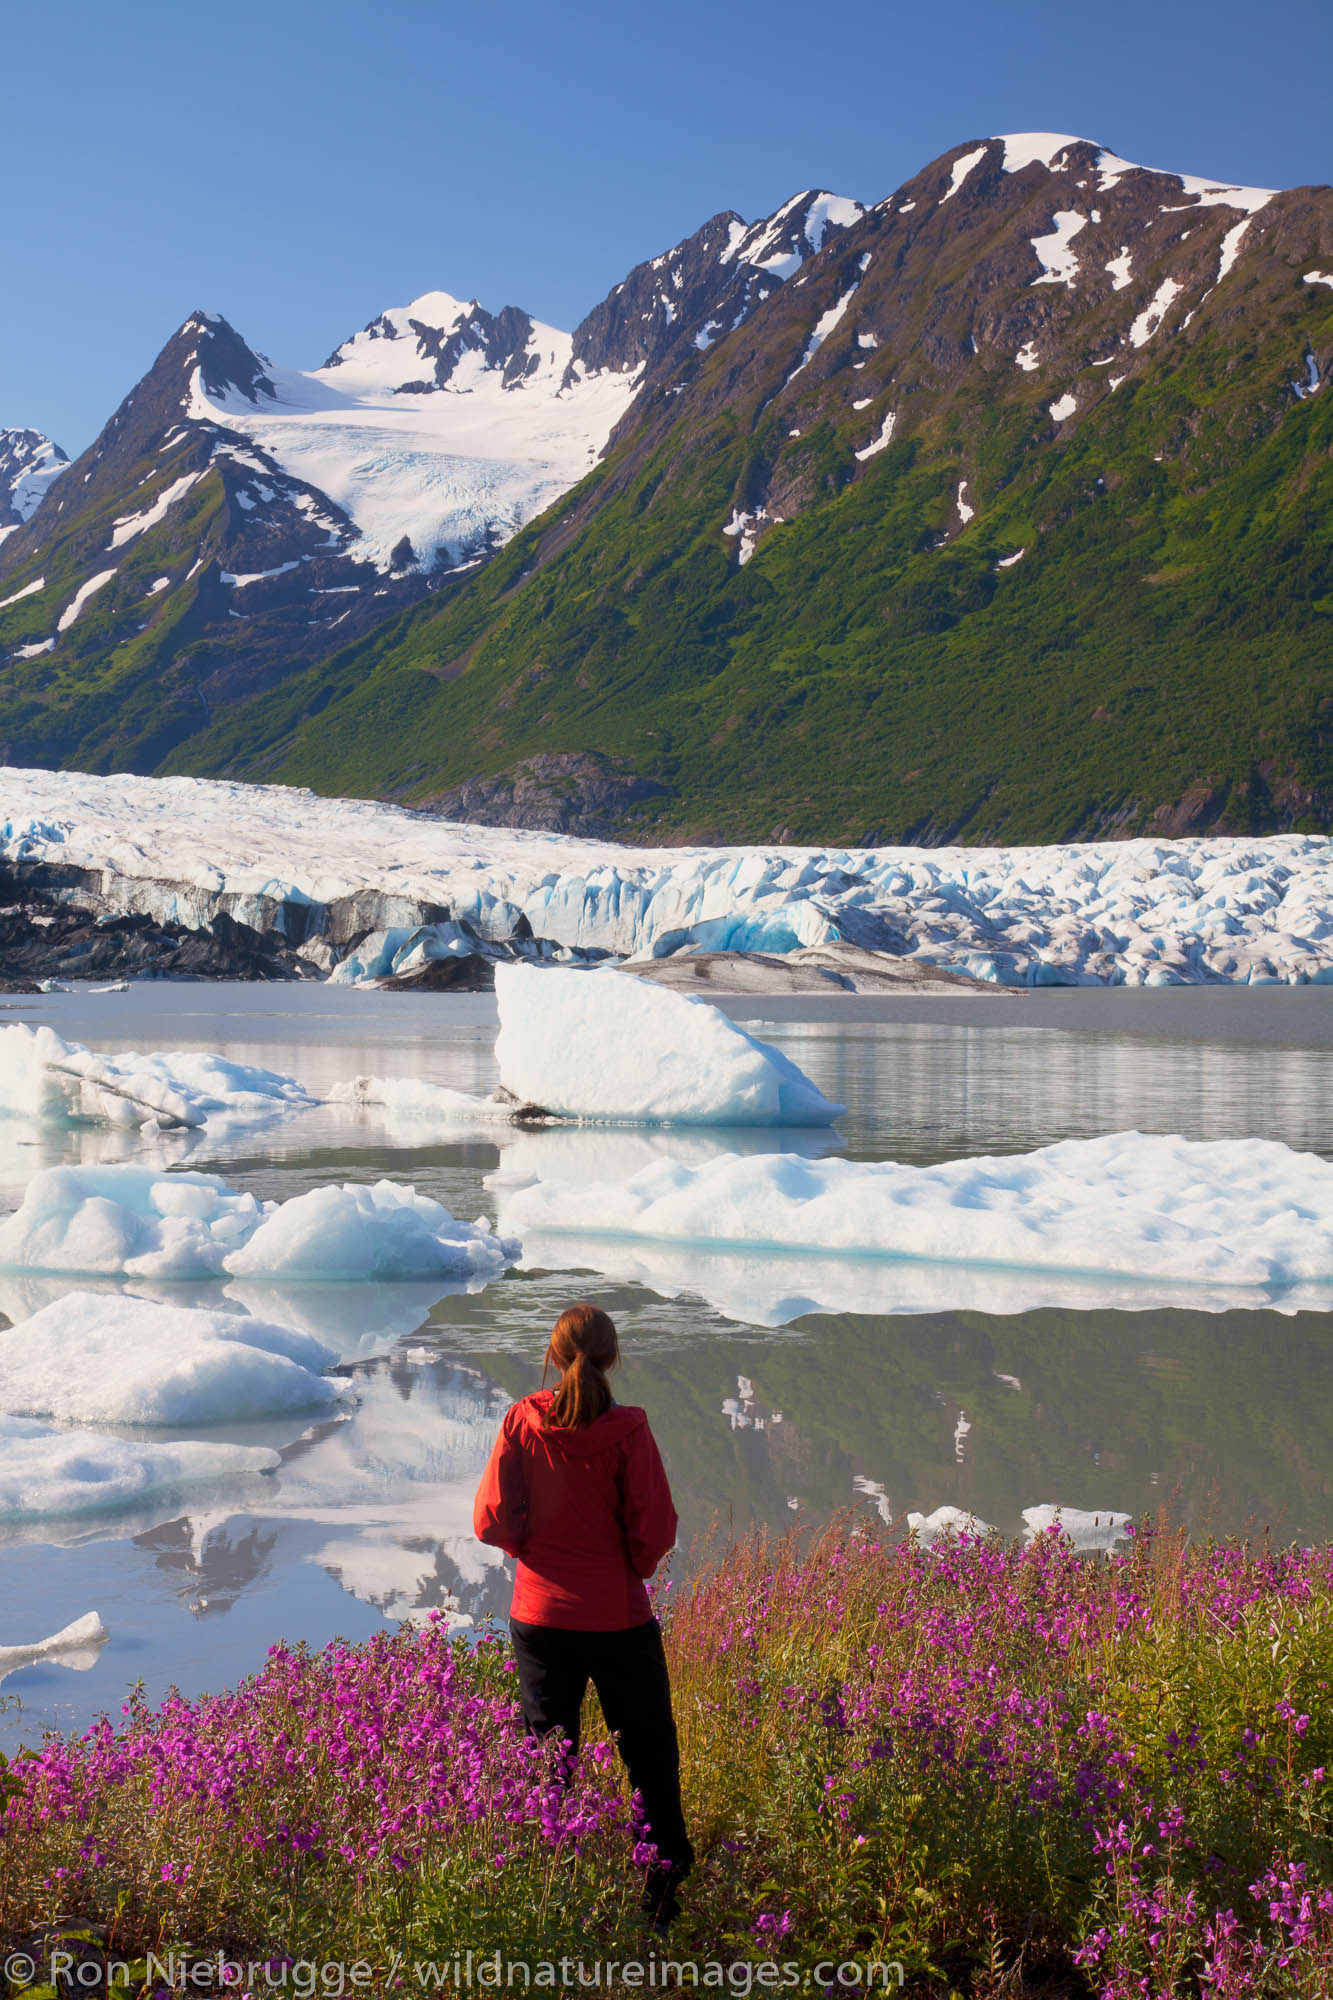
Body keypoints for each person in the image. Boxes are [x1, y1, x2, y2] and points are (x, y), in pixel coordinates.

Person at [473, 1302, 693, 1927]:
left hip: (539, 1618)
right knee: (648, 1755)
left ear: (553, 1354)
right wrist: (630, 1570)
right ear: (612, 1357)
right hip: (619, 1619)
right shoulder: (629, 1430)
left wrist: (534, 1556)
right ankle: (660, 1899)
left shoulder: (521, 1420)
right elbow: (654, 1525)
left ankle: (548, 1894)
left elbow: (490, 1518)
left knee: (548, 1755)